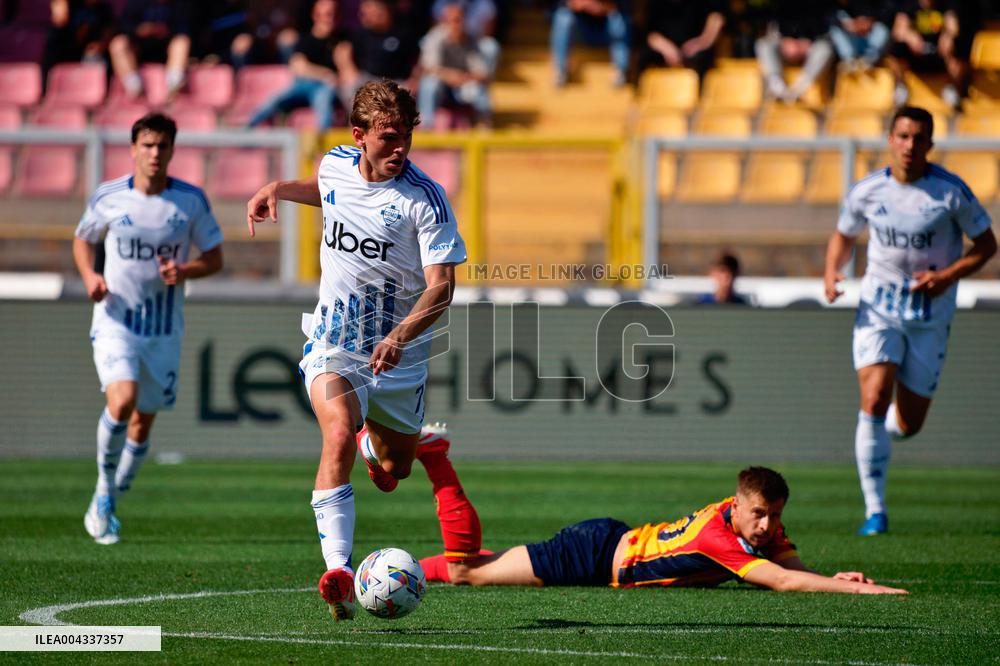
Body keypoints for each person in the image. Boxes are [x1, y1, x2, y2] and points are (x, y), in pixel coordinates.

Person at [246, 80, 482, 622]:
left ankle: (380, 450)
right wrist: (278, 188)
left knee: (396, 471)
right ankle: (339, 570)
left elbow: (441, 287)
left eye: (407, 138)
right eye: (389, 139)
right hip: (336, 342)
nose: (400, 150)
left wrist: (400, 336)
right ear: (359, 136)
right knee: (336, 433)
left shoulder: (424, 199)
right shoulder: (334, 164)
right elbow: (324, 187)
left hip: (401, 356)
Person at [824, 106, 996, 536]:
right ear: (890, 139)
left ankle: (881, 432)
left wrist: (946, 276)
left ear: (929, 145)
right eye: (902, 136)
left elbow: (987, 244)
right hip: (879, 310)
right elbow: (844, 233)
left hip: (929, 316)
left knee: (908, 424)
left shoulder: (950, 192)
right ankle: (875, 510)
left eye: (919, 138)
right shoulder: (867, 191)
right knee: (875, 394)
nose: (910, 145)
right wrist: (832, 270)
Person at [72, 113, 225, 545]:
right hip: (116, 319)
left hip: (164, 328)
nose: (155, 153)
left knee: (142, 423)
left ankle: (112, 494)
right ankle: (103, 493)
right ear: (134, 148)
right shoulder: (109, 197)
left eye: (163, 146)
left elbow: (215, 257)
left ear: (173, 150)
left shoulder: (190, 201)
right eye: (148, 145)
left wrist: (186, 270)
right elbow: (83, 238)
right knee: (123, 401)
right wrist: (90, 276)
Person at [421, 466, 908, 594]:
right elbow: (783, 581)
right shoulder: (719, 538)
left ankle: (403, 570)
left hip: (612, 543)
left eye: (775, 515)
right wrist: (875, 593)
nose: (768, 525)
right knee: (470, 573)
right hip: (594, 556)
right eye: (759, 513)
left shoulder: (745, 526)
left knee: (489, 563)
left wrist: (837, 579)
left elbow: (795, 569)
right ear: (736, 505)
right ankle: (437, 457)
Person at [248, 0, 348, 131]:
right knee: (273, 99)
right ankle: (244, 132)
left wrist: (315, 71)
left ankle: (323, 145)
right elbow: (298, 67)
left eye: (333, 15)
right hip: (304, 85)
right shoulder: (305, 40)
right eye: (325, 14)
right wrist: (325, 74)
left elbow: (344, 70)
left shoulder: (341, 41)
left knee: (323, 101)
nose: (329, 19)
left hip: (326, 89)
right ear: (315, 16)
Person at [417, 1, 498, 129]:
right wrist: (450, 76)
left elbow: (482, 74)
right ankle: (426, 126)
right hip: (442, 86)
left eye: (459, 20)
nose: (456, 24)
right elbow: (429, 68)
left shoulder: (471, 40)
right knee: (429, 84)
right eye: (452, 20)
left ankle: (484, 127)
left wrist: (463, 78)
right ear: (444, 21)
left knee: (479, 89)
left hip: (463, 85)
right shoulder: (434, 37)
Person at [886, 0, 979, 110]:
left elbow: (953, 27)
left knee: (958, 49)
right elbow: (898, 29)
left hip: (940, 56)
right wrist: (909, 36)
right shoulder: (909, 5)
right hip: (916, 56)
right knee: (895, 48)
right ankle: (901, 87)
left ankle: (953, 89)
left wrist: (947, 36)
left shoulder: (946, 5)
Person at [335, 0, 421, 109]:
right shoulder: (361, 33)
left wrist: (414, 79)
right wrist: (349, 71)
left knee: (407, 95)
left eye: (377, 10)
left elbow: (417, 59)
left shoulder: (403, 33)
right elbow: (342, 50)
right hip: (367, 79)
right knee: (350, 87)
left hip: (397, 82)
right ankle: (359, 121)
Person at [109, 0, 194, 101]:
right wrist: (139, 30)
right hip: (138, 50)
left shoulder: (178, 5)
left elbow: (185, 29)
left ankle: (174, 86)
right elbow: (122, 26)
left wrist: (166, 30)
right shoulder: (135, 3)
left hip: (166, 51)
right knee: (118, 44)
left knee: (182, 41)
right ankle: (135, 87)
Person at [755, 0, 836, 104]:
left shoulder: (819, 5)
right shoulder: (780, 5)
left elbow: (826, 31)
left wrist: (807, 43)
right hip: (786, 47)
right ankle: (779, 89)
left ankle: (798, 91)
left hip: (810, 48)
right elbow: (774, 29)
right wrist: (786, 42)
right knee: (763, 45)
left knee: (825, 48)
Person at [550, 0, 630, 88]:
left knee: (618, 19)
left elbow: (625, 6)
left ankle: (620, 71)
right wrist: (581, 3)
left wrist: (605, 6)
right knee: (562, 17)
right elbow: (559, 4)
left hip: (605, 28)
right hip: (580, 29)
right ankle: (560, 71)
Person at [637, 0, 726, 79]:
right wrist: (667, 49)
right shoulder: (656, 3)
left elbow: (716, 17)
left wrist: (701, 42)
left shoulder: (704, 3)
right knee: (645, 54)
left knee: (702, 58)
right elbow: (650, 34)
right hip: (664, 50)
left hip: (695, 50)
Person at [828, 0, 892, 73]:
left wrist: (868, 22)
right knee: (836, 30)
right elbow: (829, 18)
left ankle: (867, 61)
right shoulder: (834, 6)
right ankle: (850, 62)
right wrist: (848, 25)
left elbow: (884, 12)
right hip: (851, 43)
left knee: (882, 29)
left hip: (869, 39)